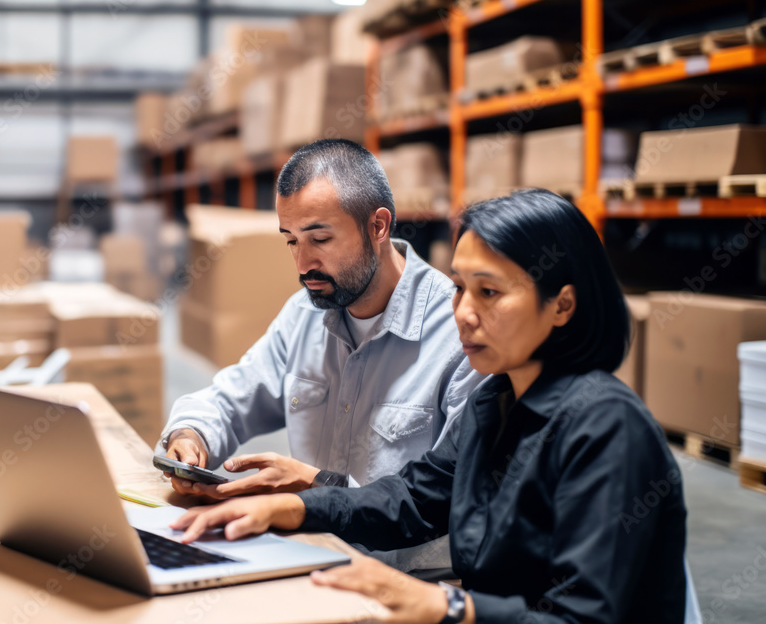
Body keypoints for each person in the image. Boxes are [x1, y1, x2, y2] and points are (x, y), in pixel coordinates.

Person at [171, 189, 688, 624]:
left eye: (489, 293)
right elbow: (415, 499)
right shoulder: (498, 398)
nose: (463, 313)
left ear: (563, 305)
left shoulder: (605, 428)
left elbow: (582, 616)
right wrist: (292, 507)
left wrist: (449, 604)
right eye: (460, 288)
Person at [159, 139, 484, 501]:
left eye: (320, 239)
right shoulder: (303, 316)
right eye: (292, 242)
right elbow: (229, 399)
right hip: (314, 546)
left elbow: (453, 496)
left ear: (378, 226)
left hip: (398, 559)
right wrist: (189, 435)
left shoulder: (460, 332)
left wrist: (318, 487)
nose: (302, 265)